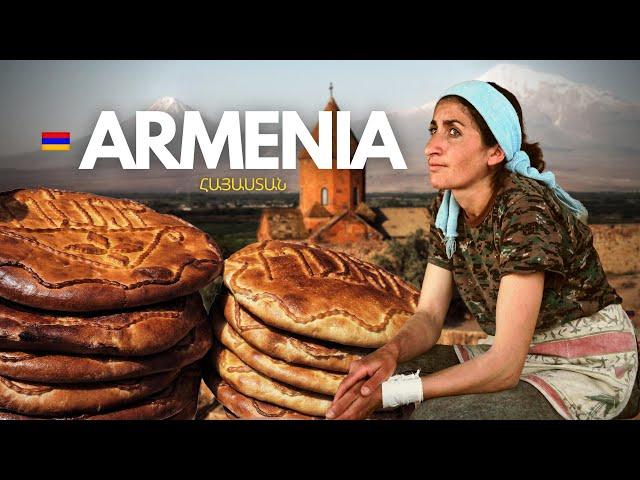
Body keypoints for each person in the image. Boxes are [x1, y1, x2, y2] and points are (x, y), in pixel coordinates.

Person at [326, 80, 639, 420]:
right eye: (433, 129)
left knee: (433, 414)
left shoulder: (525, 211)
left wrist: (398, 393)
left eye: (454, 132)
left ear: (495, 151)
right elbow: (430, 315)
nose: (431, 146)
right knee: (363, 378)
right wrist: (388, 353)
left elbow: (504, 367)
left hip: (582, 365)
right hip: (513, 353)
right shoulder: (448, 212)